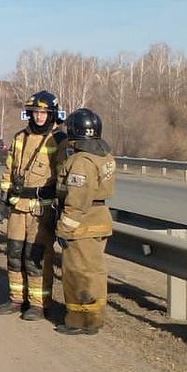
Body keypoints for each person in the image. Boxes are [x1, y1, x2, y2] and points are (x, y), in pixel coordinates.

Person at [0, 90, 65, 321]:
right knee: (14, 253)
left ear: (52, 113)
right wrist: (2, 198)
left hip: (41, 210)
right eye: (35, 112)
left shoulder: (58, 140)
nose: (39, 117)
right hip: (17, 206)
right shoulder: (19, 137)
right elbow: (9, 169)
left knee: (36, 257)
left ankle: (38, 303)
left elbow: (63, 175)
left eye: (44, 112)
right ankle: (17, 298)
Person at [54, 108, 116, 336]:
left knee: (77, 273)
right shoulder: (105, 155)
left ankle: (79, 320)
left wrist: (64, 227)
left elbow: (77, 199)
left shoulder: (81, 161)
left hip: (82, 224)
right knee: (95, 272)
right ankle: (94, 318)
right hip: (100, 219)